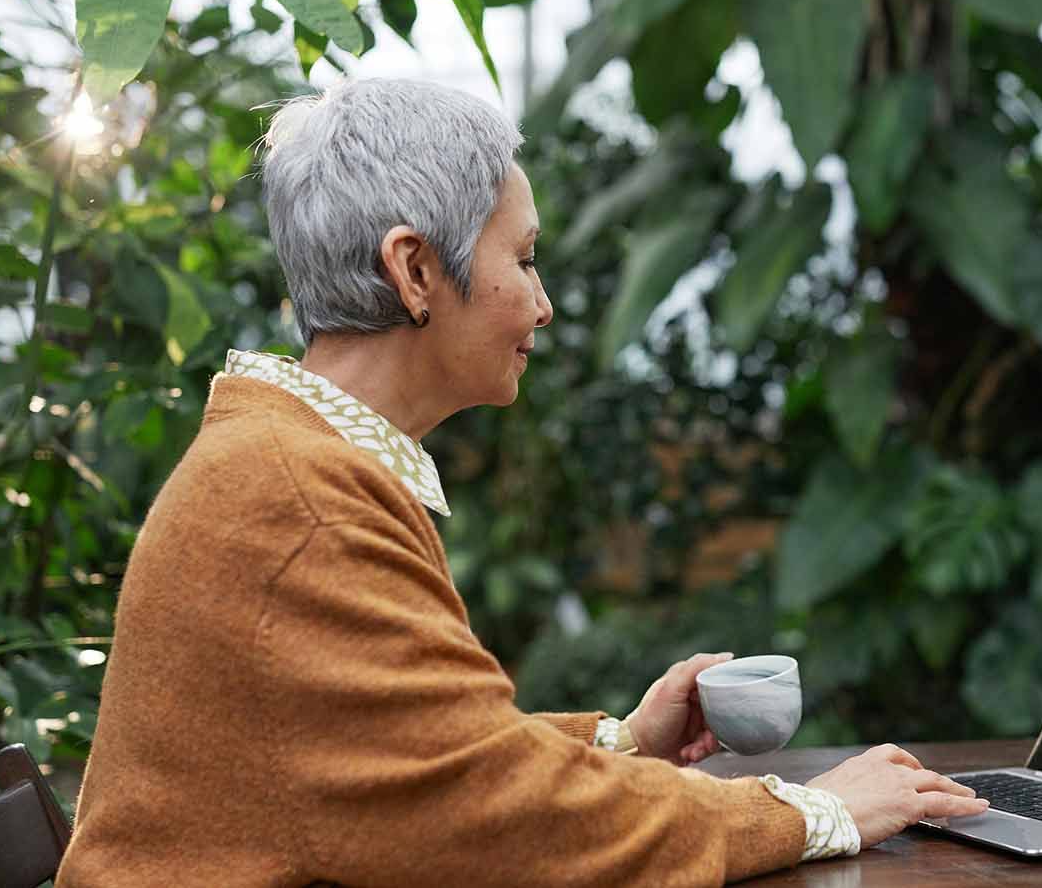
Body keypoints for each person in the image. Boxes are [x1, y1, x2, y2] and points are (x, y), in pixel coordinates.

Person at [56, 77, 987, 888]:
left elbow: (411, 760)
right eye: (525, 257)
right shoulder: (296, 501)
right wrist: (812, 814)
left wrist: (619, 741)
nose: (541, 302)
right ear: (415, 268)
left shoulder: (288, 461)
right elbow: (501, 817)